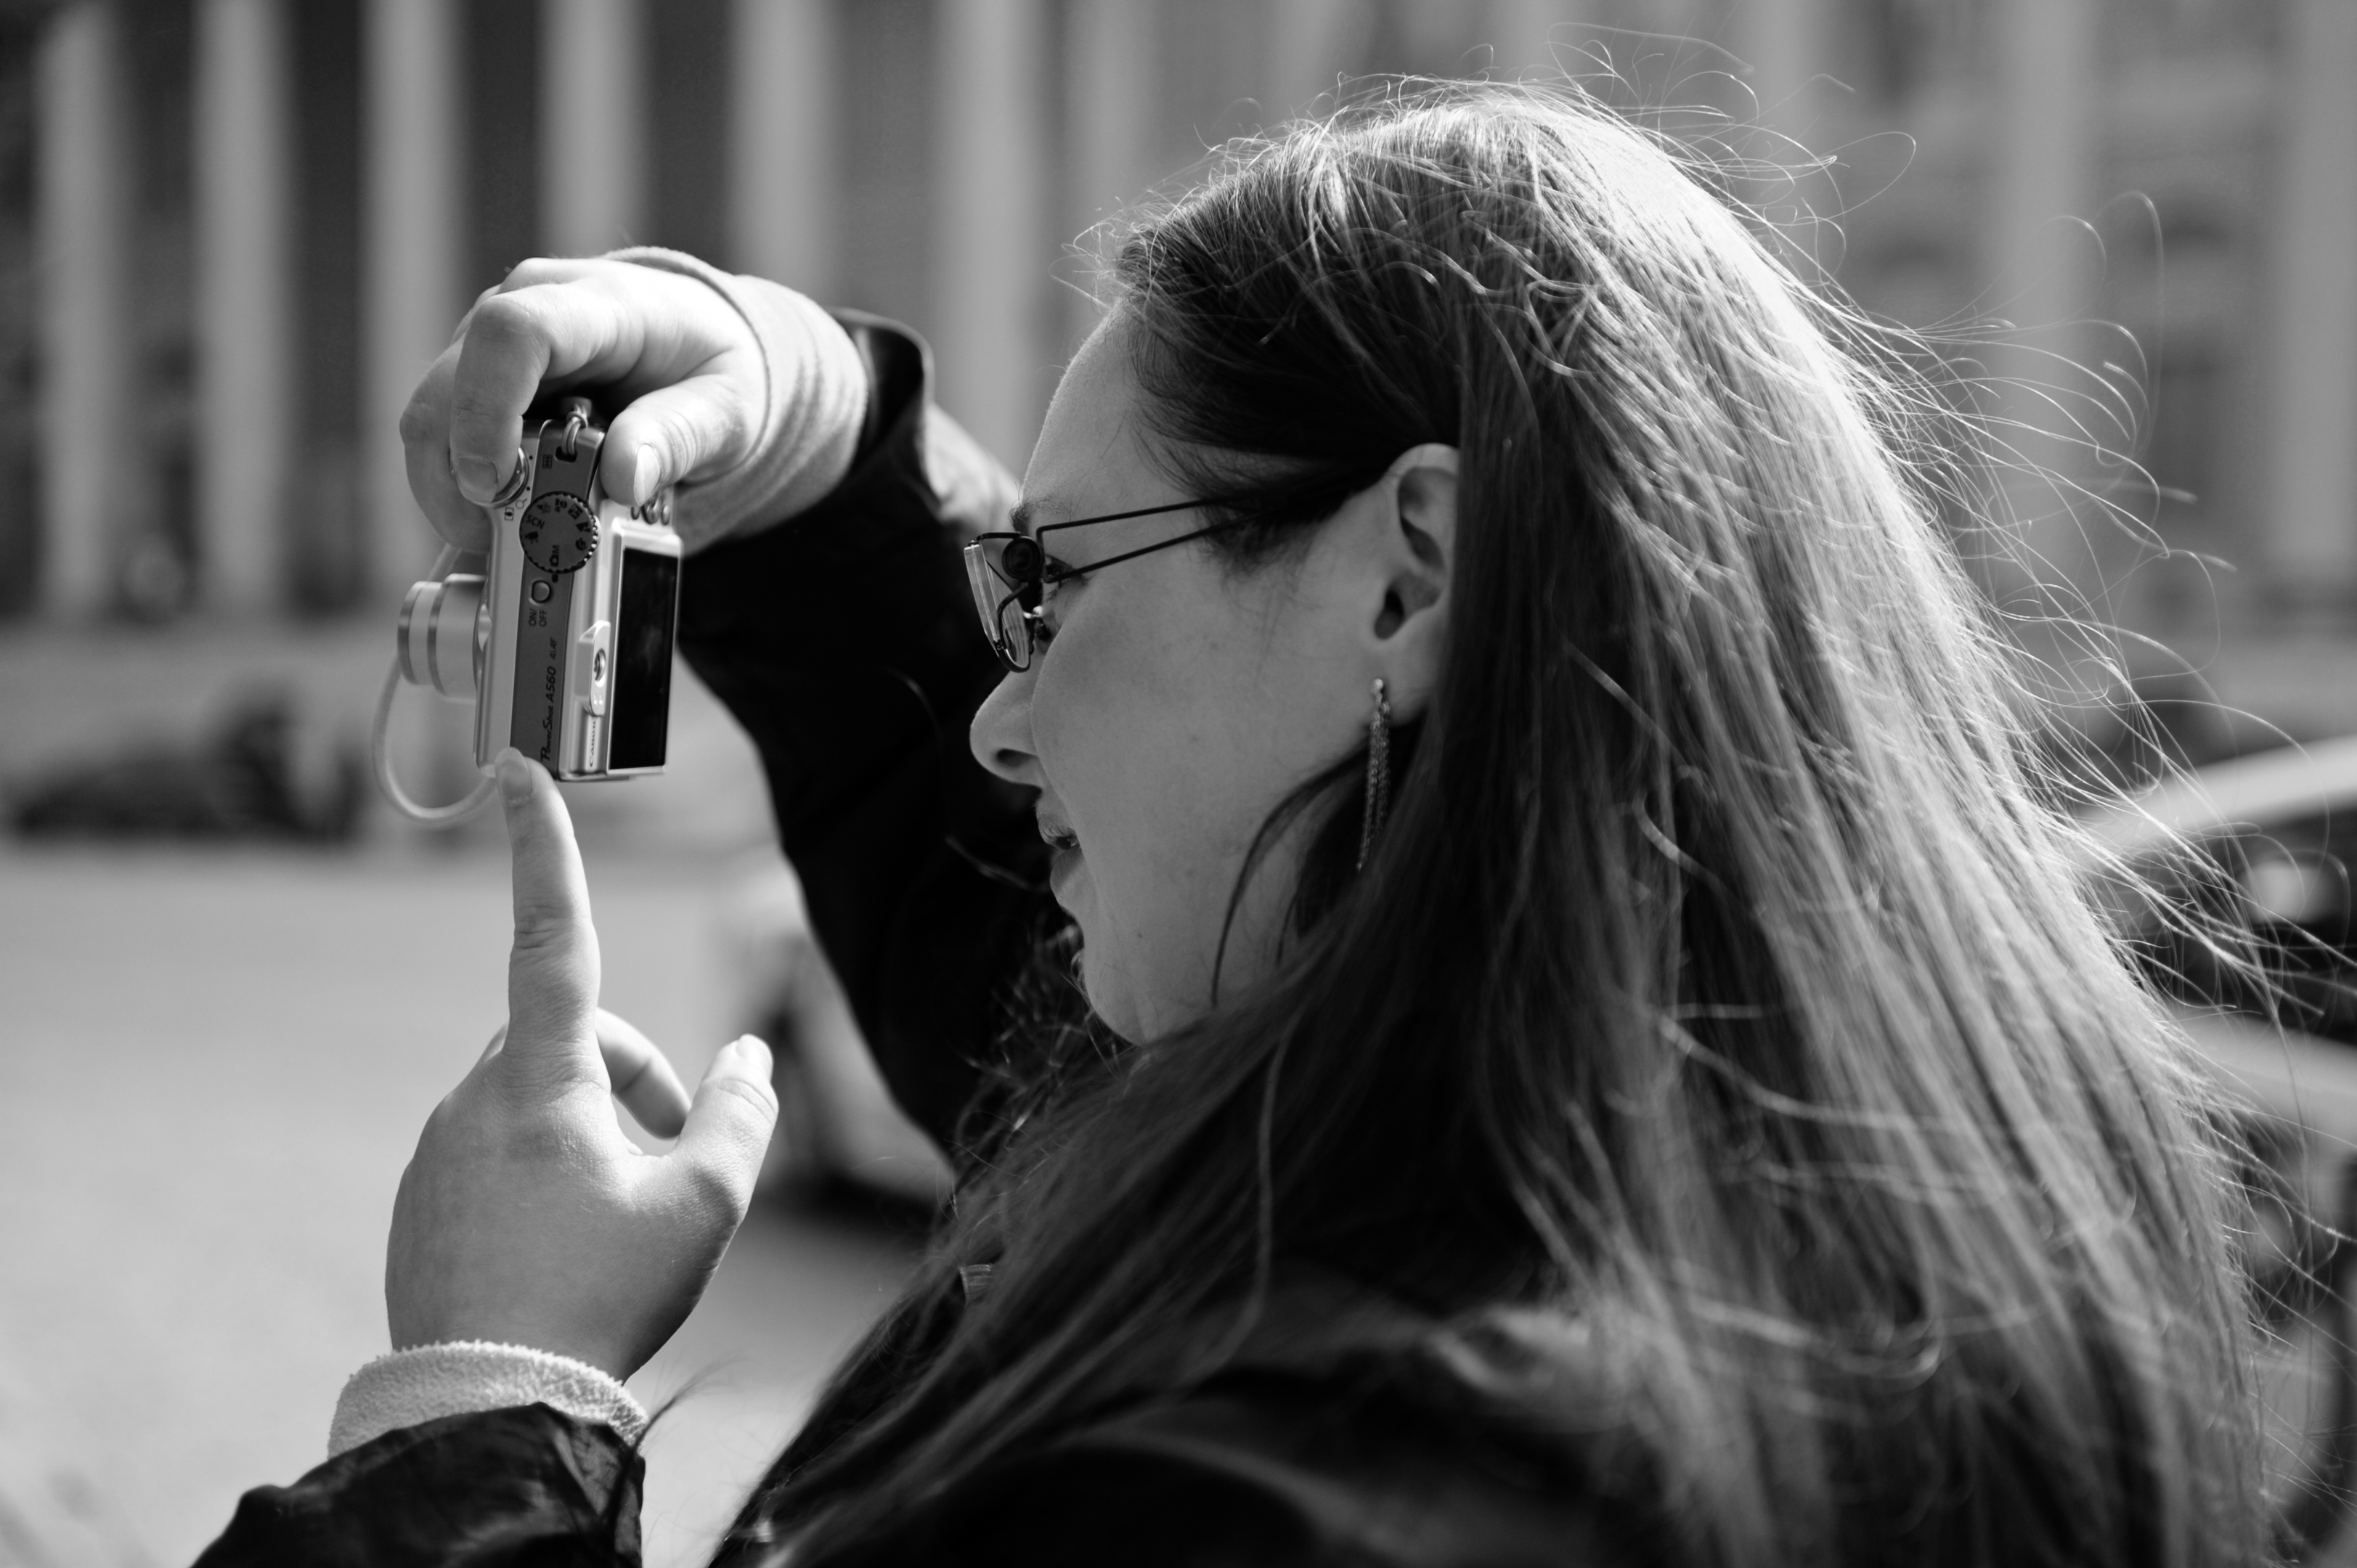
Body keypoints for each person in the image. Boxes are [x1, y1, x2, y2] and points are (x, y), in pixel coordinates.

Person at [196, 84, 2268, 1566]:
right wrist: (818, 431)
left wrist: (487, 1414)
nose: (999, 716)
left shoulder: (1269, 1482)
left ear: (1407, 576)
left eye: (1054, 584)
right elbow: (1051, 980)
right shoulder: (1856, 1203)